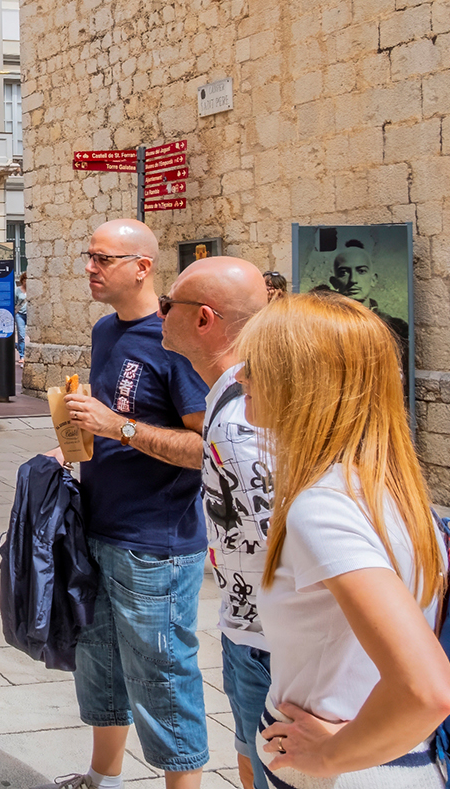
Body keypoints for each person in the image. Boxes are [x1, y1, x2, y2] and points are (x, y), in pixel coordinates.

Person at [240, 293, 450, 787]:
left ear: (304, 382)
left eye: (256, 364)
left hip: (346, 769)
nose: (241, 376)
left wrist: (329, 758)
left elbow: (427, 689)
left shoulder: (324, 506)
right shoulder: (385, 487)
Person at [55, 219, 211, 789]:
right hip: (95, 527)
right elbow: (106, 423)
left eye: (103, 258)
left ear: (142, 267)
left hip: (156, 544)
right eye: (88, 255)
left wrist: (118, 427)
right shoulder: (104, 332)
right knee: (98, 663)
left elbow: (205, 449)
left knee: (163, 677)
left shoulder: (178, 342)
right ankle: (104, 777)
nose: (90, 267)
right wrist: (72, 442)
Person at [158, 257, 271, 789]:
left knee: (264, 767)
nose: (160, 314)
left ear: (203, 319)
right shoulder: (235, 394)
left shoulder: (240, 417)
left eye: (168, 305)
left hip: (270, 639)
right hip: (252, 626)